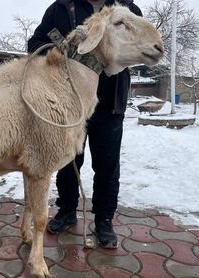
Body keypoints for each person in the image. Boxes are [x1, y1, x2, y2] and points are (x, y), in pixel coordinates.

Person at [27, 0, 142, 248]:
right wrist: (64, 46)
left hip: (109, 103)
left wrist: (117, 59)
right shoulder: (60, 8)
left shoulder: (126, 10)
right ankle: (67, 210)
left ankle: (104, 220)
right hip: (71, 103)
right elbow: (35, 44)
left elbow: (142, 44)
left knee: (107, 165)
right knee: (67, 160)